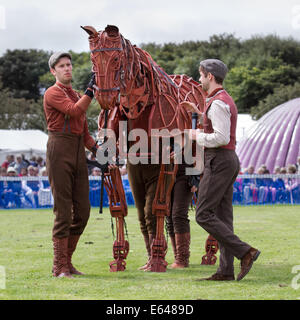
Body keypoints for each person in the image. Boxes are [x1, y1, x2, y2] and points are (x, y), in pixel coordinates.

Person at [181, 59, 260, 281]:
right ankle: (226, 270)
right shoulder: (218, 101)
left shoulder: (217, 103)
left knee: (203, 214)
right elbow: (219, 129)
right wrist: (198, 112)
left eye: (201, 75)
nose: (199, 79)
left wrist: (195, 135)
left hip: (219, 160)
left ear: (210, 76)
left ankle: (246, 252)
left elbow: (221, 137)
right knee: (224, 218)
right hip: (225, 160)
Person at [43, 51, 97, 278]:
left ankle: (67, 262)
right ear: (53, 71)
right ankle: (59, 266)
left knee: (83, 211)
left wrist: (101, 153)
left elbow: (85, 134)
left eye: (69, 65)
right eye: (62, 66)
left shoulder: (75, 94)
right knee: (63, 211)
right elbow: (75, 111)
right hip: (59, 149)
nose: (68, 68)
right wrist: (91, 91)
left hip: (77, 149)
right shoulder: (52, 92)